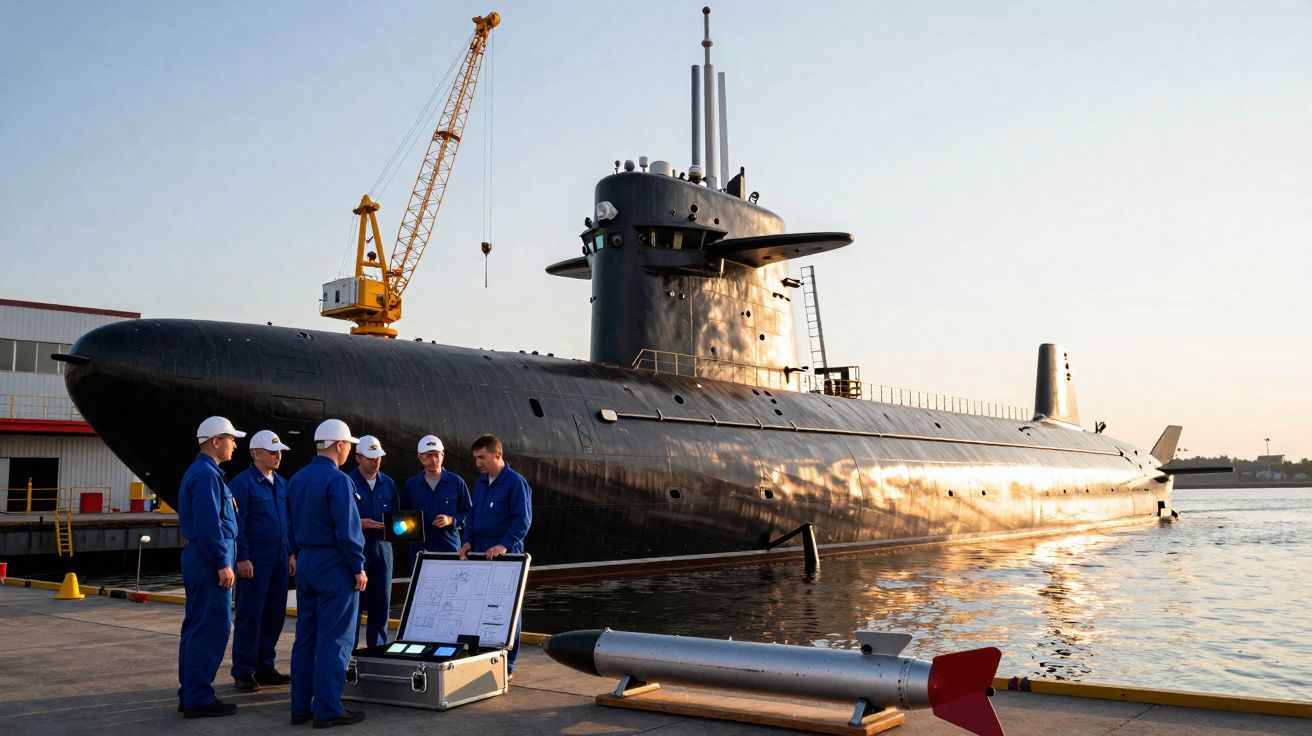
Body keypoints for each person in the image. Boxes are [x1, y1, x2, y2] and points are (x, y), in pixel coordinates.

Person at [288, 419, 367, 728]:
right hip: (334, 563)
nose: (349, 450)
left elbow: (290, 526)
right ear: (339, 446)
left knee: (305, 637)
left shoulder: (296, 479)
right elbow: (348, 531)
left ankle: (300, 708)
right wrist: (358, 566)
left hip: (306, 560)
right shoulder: (339, 481)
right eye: (348, 445)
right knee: (335, 638)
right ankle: (328, 709)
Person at [177, 416, 244, 718]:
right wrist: (222, 562)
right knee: (211, 628)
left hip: (201, 559)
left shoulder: (207, 473)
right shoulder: (206, 476)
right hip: (209, 562)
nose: (235, 444)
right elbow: (209, 524)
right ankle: (199, 698)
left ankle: (190, 693)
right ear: (215, 442)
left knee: (196, 627)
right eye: (231, 438)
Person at [459, 434, 532, 676]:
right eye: (475, 458)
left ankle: (507, 664)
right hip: (480, 553)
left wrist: (504, 545)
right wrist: (467, 541)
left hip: (504, 556)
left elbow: (522, 520)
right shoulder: (480, 484)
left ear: (497, 454)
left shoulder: (515, 482)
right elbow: (472, 516)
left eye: (482, 457)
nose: (477, 463)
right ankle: (482, 658)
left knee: (507, 611)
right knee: (479, 608)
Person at [228, 429, 294, 692]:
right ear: (256, 453)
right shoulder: (242, 484)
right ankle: (244, 671)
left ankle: (265, 666)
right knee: (250, 616)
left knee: (274, 615)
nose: (278, 456)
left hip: (278, 559)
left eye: (279, 452)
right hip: (255, 561)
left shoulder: (281, 484)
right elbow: (237, 524)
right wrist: (242, 557)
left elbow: (288, 523)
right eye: (272, 452)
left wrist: (290, 552)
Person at [350, 435, 397, 649]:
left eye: (378, 457)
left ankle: (377, 648)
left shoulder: (388, 484)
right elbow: (340, 519)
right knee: (354, 603)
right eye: (370, 457)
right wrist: (359, 523)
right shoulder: (348, 482)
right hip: (357, 548)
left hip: (383, 548)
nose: (376, 461)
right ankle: (349, 651)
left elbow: (398, 516)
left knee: (381, 602)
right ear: (358, 457)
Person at [400, 435, 472, 566]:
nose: (434, 459)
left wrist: (451, 520)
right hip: (420, 551)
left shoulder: (456, 482)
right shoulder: (411, 485)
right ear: (420, 456)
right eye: (428, 455)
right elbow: (402, 516)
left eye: (437, 455)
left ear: (443, 455)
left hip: (449, 549)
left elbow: (470, 514)